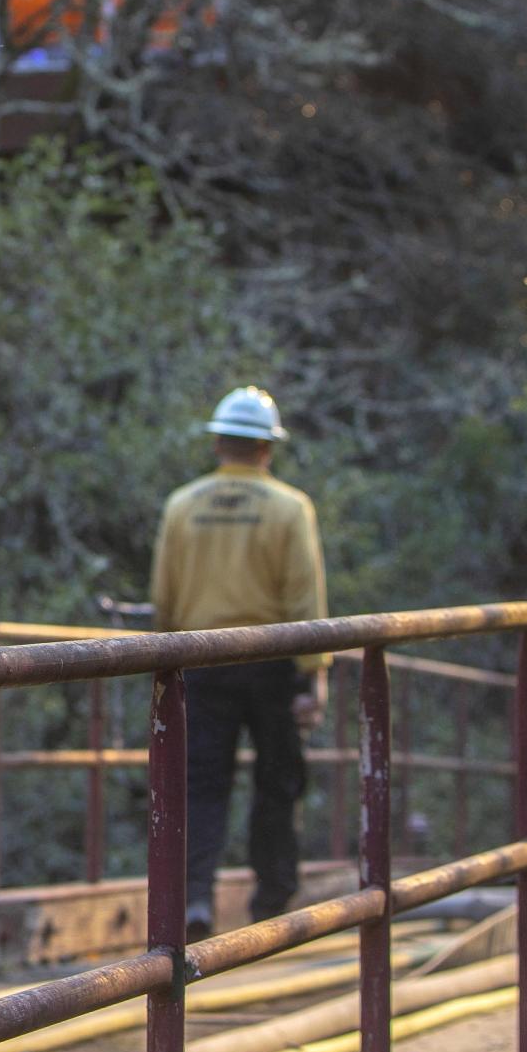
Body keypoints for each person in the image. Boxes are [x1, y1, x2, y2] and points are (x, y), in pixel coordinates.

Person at [151, 386, 328, 939]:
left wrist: (168, 668)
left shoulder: (183, 505)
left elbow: (165, 597)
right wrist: (313, 673)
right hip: (270, 660)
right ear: (267, 449)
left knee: (201, 784)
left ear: (218, 443)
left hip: (199, 661)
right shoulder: (288, 508)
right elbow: (305, 598)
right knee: (277, 782)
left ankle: (194, 898)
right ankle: (272, 900)